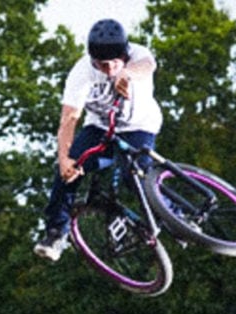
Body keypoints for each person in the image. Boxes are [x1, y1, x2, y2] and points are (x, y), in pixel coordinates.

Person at [35, 18, 163, 261]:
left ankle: (177, 217)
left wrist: (127, 73)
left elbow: (148, 65)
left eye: (115, 63)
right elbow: (69, 119)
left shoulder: (137, 55)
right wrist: (63, 159)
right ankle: (55, 233)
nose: (110, 70)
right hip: (101, 128)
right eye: (103, 65)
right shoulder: (81, 74)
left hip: (140, 126)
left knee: (134, 177)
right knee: (69, 168)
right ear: (93, 61)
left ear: (125, 55)